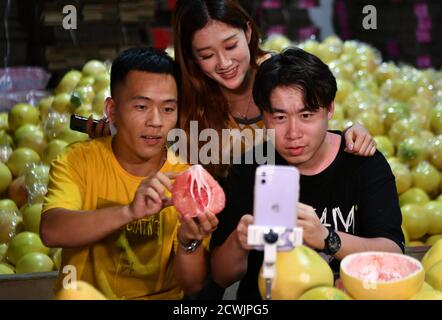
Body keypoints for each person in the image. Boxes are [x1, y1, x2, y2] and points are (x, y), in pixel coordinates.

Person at [89, 0, 376, 177]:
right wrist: (123, 132)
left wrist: (352, 133)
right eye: (206, 55)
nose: (224, 63)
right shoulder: (183, 93)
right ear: (190, 56)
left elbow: (316, 128)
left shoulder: (282, 77)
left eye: (230, 45)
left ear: (248, 32)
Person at [209, 47, 405, 300]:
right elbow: (222, 276)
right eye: (279, 117)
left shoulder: (362, 163)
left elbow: (393, 254)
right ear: (264, 116)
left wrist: (327, 238)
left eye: (306, 115)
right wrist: (238, 241)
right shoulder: (250, 169)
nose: (293, 133)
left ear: (330, 110)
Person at [40, 48, 218, 300]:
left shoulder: (186, 179)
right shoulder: (77, 160)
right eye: (142, 106)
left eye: (168, 109)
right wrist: (130, 212)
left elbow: (192, 285)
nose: (156, 121)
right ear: (112, 110)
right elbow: (52, 230)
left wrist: (190, 242)